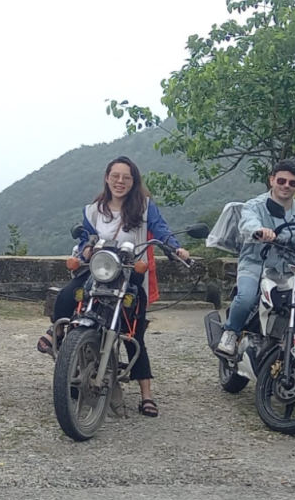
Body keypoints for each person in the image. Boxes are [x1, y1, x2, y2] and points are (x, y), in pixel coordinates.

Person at [38, 157, 192, 418]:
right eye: (115, 176)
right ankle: (58, 334)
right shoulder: (93, 210)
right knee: (66, 296)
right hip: (99, 270)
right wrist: (86, 248)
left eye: (126, 177)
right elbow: (85, 238)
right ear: (107, 178)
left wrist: (176, 248)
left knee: (134, 331)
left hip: (129, 273)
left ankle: (146, 395)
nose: (120, 181)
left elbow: (162, 231)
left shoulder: (145, 208)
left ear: (134, 181)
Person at [215, 160, 295, 358]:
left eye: (292, 183)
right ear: (272, 180)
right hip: (257, 262)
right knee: (246, 298)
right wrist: (259, 230)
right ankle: (231, 331)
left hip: (292, 267)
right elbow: (248, 223)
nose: (286, 186)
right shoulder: (255, 206)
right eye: (281, 180)